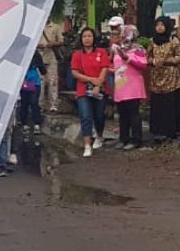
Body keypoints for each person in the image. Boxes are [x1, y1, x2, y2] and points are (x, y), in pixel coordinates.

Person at [70, 27, 109, 157]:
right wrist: (91, 80)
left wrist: (98, 83)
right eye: (84, 36)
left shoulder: (101, 52)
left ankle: (99, 136)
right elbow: (75, 73)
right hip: (83, 90)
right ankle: (87, 144)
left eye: (89, 36)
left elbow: (104, 68)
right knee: (85, 116)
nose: (87, 39)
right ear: (81, 39)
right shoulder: (77, 54)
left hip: (100, 88)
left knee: (99, 116)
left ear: (94, 38)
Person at [112, 25, 148, 149]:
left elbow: (143, 65)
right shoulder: (118, 49)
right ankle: (124, 138)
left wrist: (127, 58)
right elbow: (116, 65)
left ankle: (136, 139)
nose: (123, 35)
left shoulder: (138, 49)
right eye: (122, 33)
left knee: (133, 113)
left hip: (133, 85)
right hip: (121, 85)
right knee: (122, 114)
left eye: (125, 33)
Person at [38, 17, 65, 114]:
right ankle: (40, 105)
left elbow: (61, 41)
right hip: (40, 56)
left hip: (52, 56)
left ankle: (53, 105)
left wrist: (53, 43)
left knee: (53, 81)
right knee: (40, 82)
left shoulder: (56, 27)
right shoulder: (37, 25)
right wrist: (39, 45)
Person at [18, 52, 46, 132]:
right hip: (24, 82)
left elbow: (43, 70)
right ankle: (24, 123)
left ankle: (36, 124)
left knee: (34, 103)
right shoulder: (20, 52)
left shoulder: (36, 54)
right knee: (24, 103)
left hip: (34, 82)